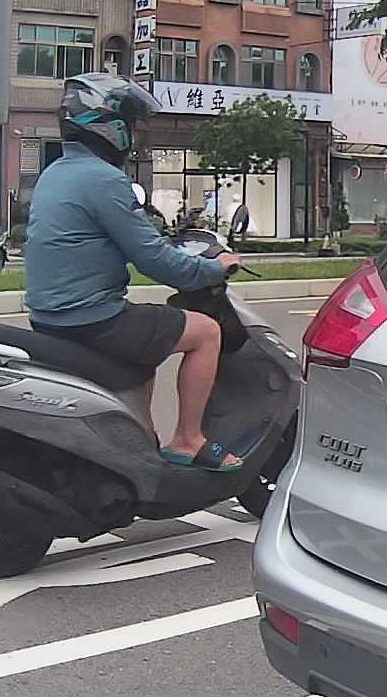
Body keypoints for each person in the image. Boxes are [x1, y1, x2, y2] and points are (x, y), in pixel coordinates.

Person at [25, 73, 246, 471]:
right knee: (206, 332)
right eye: (128, 123)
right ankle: (188, 440)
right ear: (107, 126)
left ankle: (138, 447)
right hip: (92, 319)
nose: (133, 133)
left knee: (144, 353)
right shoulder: (104, 179)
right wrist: (213, 268)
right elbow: (153, 259)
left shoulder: (54, 173)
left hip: (49, 317)